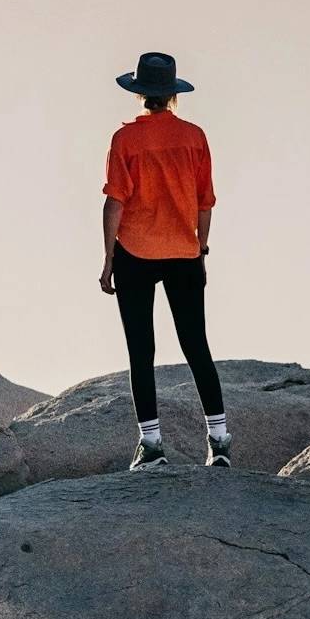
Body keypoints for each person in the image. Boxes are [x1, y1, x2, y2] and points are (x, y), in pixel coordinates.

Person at [99, 51, 229, 470]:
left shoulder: (126, 141)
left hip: (135, 253)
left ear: (140, 95)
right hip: (184, 252)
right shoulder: (194, 137)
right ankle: (220, 440)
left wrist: (107, 259)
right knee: (197, 346)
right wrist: (201, 247)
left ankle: (152, 446)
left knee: (142, 351)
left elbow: (114, 203)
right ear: (173, 95)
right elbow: (205, 202)